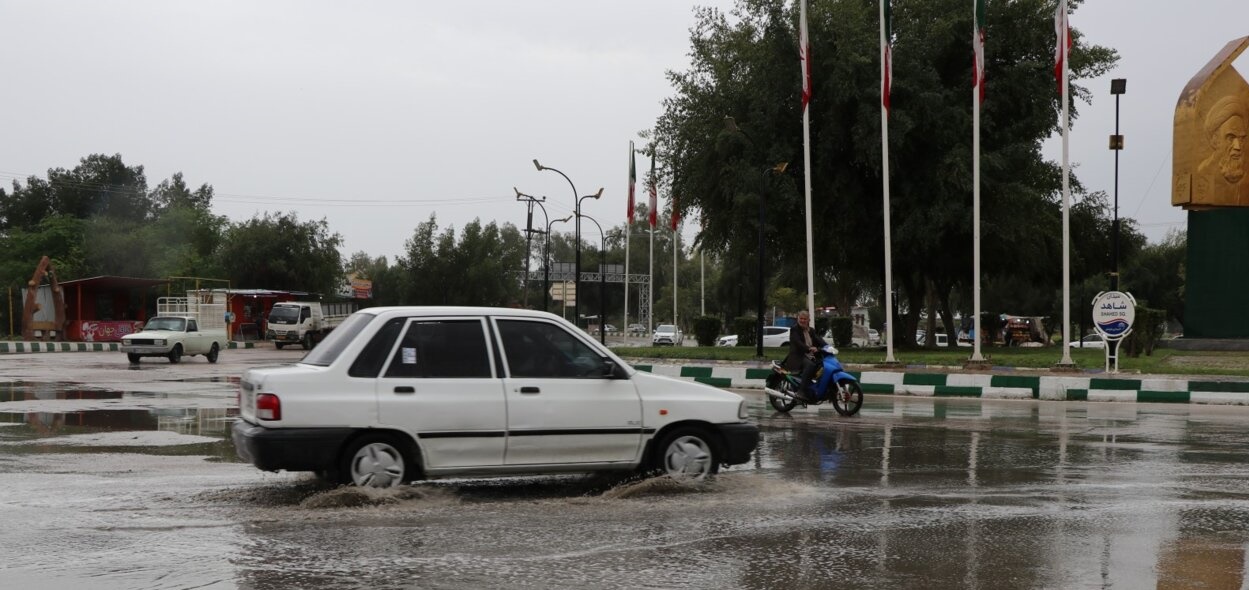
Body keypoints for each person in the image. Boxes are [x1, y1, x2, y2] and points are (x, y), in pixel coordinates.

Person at [1195, 95, 1248, 205]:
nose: (1238, 146)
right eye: (1231, 138)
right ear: (1215, 140)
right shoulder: (1203, 174)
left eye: (1241, 138)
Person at [784, 310, 827, 402]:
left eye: (805, 319)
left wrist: (828, 347)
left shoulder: (811, 330)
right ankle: (801, 391)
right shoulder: (794, 329)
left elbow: (819, 340)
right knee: (811, 365)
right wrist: (809, 348)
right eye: (801, 318)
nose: (802, 321)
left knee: (823, 365)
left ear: (808, 320)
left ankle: (813, 388)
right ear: (798, 319)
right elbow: (798, 343)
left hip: (810, 355)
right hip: (798, 357)